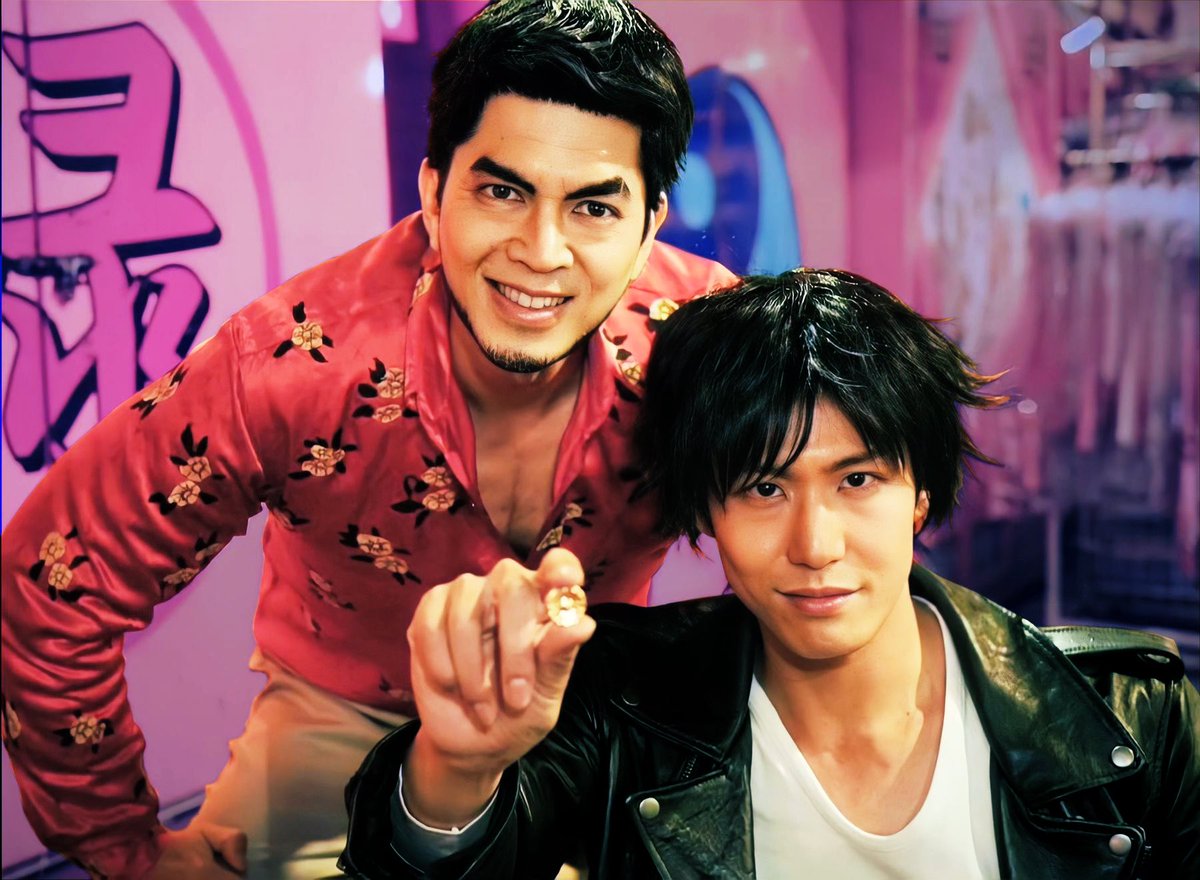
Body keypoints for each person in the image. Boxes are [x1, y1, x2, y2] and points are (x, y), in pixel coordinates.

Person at [0, 1, 735, 876]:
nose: (542, 251)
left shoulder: (700, 344)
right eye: (502, 191)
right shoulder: (294, 361)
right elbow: (51, 579)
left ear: (650, 226)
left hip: (591, 709)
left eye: (593, 208)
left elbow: (830, 531)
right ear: (433, 194)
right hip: (340, 719)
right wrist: (123, 848)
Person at [341, 268, 1200, 879]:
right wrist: (457, 772)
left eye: (857, 480)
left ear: (920, 496)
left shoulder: (1130, 712)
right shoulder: (620, 704)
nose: (815, 544)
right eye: (763, 488)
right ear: (706, 509)